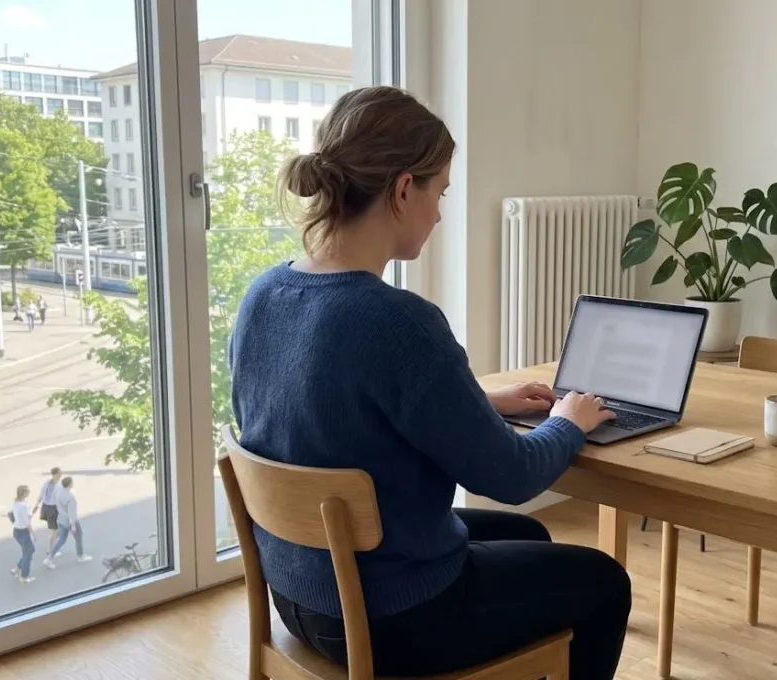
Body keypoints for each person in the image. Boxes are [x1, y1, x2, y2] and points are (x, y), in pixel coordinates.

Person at [228, 86, 629, 680]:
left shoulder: (264, 294)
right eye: (439, 191)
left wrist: (481, 402)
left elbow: (321, 409)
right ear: (401, 191)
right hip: (394, 616)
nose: (440, 213)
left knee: (530, 536)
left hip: (297, 595)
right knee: (603, 582)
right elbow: (512, 476)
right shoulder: (399, 322)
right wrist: (568, 422)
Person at [43, 476, 92, 568]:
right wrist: (73, 525)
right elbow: (72, 512)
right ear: (70, 484)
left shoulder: (59, 493)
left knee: (61, 540)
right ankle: (80, 556)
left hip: (61, 519)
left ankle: (49, 558)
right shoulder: (70, 496)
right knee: (79, 536)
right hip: (70, 521)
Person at [32, 467, 63, 554]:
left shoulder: (47, 482)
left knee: (57, 529)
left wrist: (37, 505)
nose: (61, 475)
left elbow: (41, 494)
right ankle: (50, 549)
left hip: (45, 507)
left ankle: (52, 547)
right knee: (55, 530)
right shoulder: (59, 486)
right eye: (59, 473)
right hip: (53, 509)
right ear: (55, 474)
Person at [9, 485, 36, 583]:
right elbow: (27, 522)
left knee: (27, 551)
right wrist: (33, 534)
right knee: (29, 553)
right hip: (23, 531)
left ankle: (17, 569)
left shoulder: (17, 503)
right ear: (24, 493)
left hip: (17, 531)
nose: (29, 494)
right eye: (28, 492)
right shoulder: (24, 506)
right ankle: (24, 576)